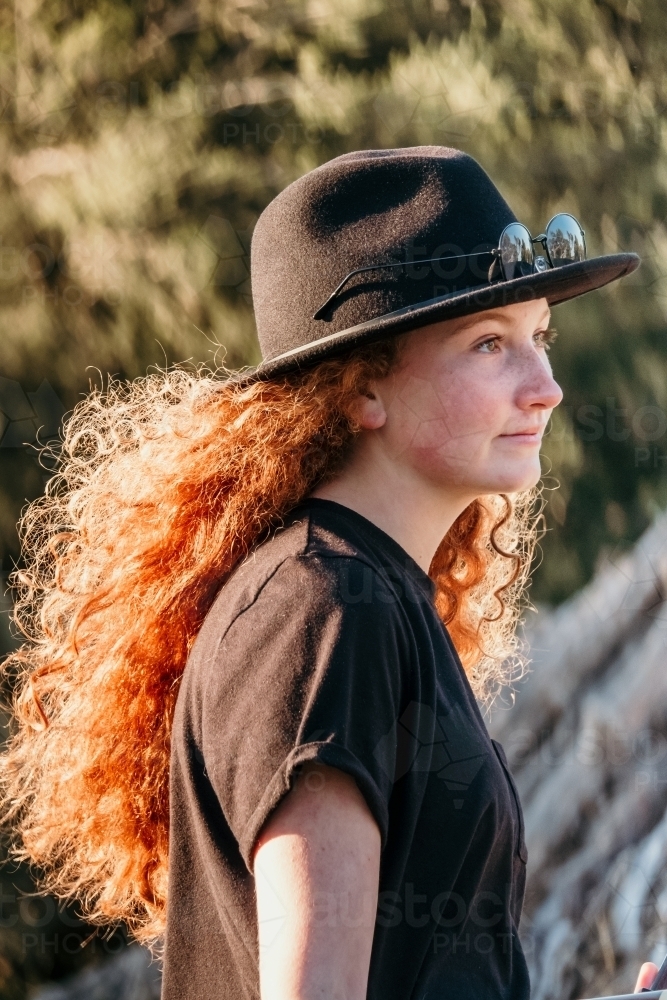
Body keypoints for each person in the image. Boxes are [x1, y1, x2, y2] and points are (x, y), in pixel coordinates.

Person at [0, 146, 652, 999]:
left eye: (539, 337)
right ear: (358, 390)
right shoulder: (327, 611)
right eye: (490, 344)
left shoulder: (362, 597)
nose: (547, 387)